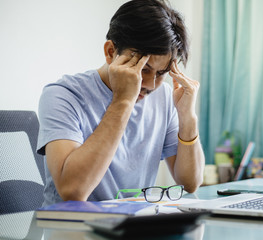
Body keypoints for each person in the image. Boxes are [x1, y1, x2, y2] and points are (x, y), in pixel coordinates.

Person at [37, 0, 205, 206]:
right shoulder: (63, 95)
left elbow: (190, 183)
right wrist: (123, 100)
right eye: (144, 69)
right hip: (74, 230)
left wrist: (188, 117)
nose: (151, 84)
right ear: (110, 52)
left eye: (161, 73)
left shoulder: (164, 96)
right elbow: (73, 191)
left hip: (135, 227)